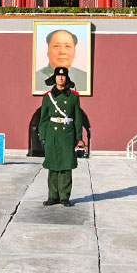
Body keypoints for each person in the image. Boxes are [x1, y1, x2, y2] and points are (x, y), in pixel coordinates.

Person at [38, 66, 84, 207]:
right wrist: (42, 136)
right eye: (58, 76)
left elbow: (77, 118)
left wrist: (79, 138)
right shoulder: (48, 97)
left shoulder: (74, 96)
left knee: (66, 165)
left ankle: (65, 196)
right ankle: (53, 196)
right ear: (55, 78)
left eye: (63, 76)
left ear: (67, 77)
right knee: (53, 165)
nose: (61, 78)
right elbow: (44, 119)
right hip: (52, 133)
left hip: (67, 134)